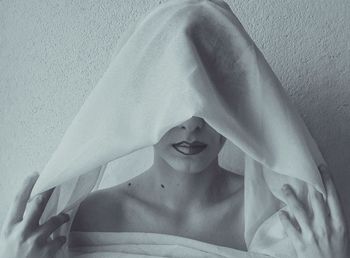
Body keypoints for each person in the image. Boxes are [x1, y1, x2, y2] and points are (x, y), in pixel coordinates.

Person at [1, 0, 349, 257]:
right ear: (144, 103)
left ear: (236, 102)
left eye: (210, 97)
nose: (191, 122)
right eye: (173, 99)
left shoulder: (290, 228)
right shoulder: (71, 223)